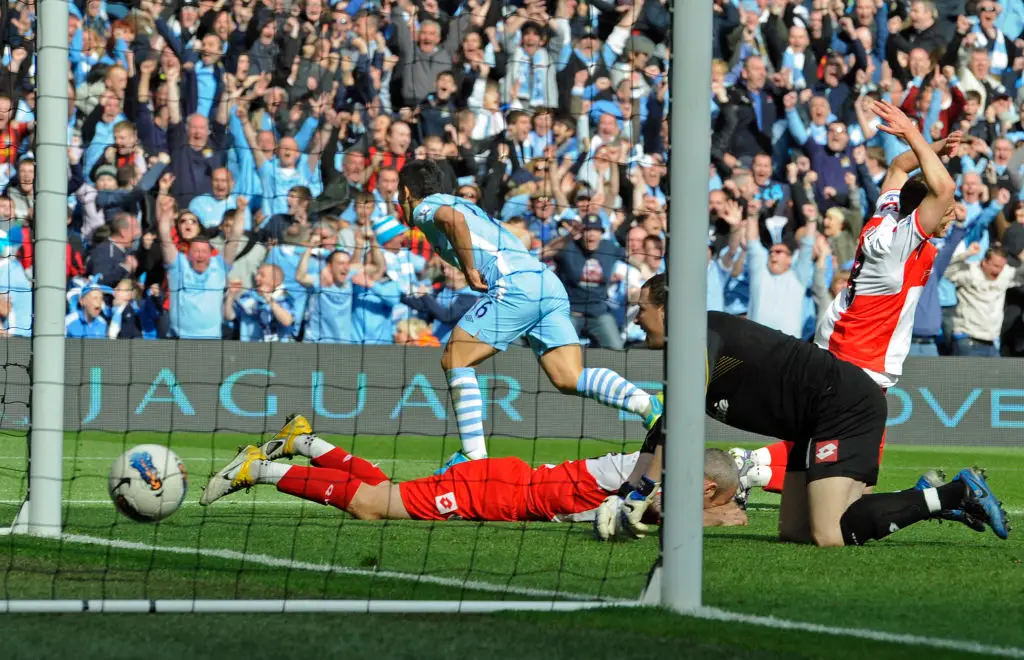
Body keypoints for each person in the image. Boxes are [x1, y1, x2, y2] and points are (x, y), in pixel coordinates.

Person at [594, 274, 1009, 547]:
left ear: (665, 309)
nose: (636, 320)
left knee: (831, 533)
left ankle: (957, 492)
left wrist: (642, 492)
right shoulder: (682, 349)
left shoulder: (700, 333)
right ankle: (929, 498)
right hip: (810, 422)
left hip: (844, 403)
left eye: (641, 309)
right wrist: (625, 496)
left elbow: (679, 421)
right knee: (795, 533)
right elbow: (661, 431)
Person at [735, 101, 964, 496]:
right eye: (943, 213)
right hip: (861, 358)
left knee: (842, 459)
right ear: (920, 215)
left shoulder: (887, 214)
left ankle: (751, 466)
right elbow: (941, 189)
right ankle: (749, 467)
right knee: (852, 474)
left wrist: (937, 146)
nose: (952, 214)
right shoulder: (898, 246)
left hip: (845, 343)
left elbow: (898, 169)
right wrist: (913, 131)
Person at [395, 160, 662, 472]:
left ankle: (472, 457)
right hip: (546, 283)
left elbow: (452, 220)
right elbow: (521, 236)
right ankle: (647, 406)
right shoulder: (465, 204)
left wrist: (469, 268)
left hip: (515, 286)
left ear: (405, 191)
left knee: (455, 358)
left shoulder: (424, 207)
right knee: (568, 377)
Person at [200, 415, 749, 527]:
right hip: (500, 494)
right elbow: (660, 513)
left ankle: (305, 441)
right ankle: (262, 470)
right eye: (708, 498)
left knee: (383, 490)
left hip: (508, 483)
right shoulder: (651, 476)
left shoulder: (653, 471)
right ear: (702, 488)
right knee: (373, 505)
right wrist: (718, 518)